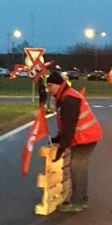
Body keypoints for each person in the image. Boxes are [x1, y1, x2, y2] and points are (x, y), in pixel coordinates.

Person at [46, 71, 103, 213]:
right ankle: (81, 199)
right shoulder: (65, 96)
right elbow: (65, 125)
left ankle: (79, 202)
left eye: (50, 86)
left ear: (59, 85)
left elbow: (69, 128)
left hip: (87, 137)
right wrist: (58, 139)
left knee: (77, 167)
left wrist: (61, 149)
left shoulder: (69, 99)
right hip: (85, 137)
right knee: (78, 167)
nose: (49, 89)